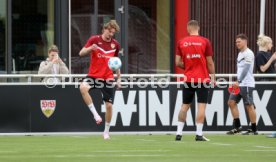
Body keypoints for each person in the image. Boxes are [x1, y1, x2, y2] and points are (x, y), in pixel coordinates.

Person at [79, 20, 121, 140]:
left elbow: (116, 63)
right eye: (109, 31)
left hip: (107, 78)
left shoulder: (115, 45)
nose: (110, 34)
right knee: (82, 88)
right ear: (104, 29)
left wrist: (119, 79)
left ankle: (106, 132)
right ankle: (96, 115)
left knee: (109, 106)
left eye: (113, 32)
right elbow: (81, 53)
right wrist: (90, 48)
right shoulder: (94, 40)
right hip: (93, 75)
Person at [175, 20, 216, 141]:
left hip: (188, 79)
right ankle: (198, 134)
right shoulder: (205, 41)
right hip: (202, 79)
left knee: (184, 106)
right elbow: (209, 62)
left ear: (188, 29)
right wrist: (213, 77)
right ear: (198, 28)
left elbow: (177, 62)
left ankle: (179, 133)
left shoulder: (181, 42)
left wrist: (187, 67)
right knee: (201, 106)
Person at [227, 34, 258, 135]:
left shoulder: (249, 53)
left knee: (249, 105)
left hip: (247, 84)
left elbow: (246, 69)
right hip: (240, 83)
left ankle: (253, 129)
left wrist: (238, 81)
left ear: (245, 41)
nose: (237, 44)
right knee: (231, 102)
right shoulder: (240, 54)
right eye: (236, 42)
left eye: (239, 42)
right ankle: (238, 127)